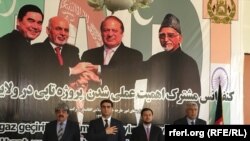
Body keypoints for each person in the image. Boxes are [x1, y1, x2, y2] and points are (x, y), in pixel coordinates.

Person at [81, 16, 143, 124]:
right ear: (101, 32)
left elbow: (125, 75)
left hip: (122, 113)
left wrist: (99, 72)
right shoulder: (88, 55)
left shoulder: (134, 55)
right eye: (106, 30)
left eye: (114, 30)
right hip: (92, 113)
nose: (110, 34)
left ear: (122, 33)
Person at [142, 13, 201, 125]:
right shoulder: (155, 60)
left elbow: (195, 100)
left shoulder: (189, 63)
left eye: (170, 35)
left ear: (180, 38)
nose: (166, 39)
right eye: (162, 36)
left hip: (180, 123)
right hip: (156, 122)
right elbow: (135, 72)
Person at [0, 4, 44, 122]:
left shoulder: (9, 41)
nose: (35, 26)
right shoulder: (15, 44)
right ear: (18, 21)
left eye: (39, 23)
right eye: (31, 21)